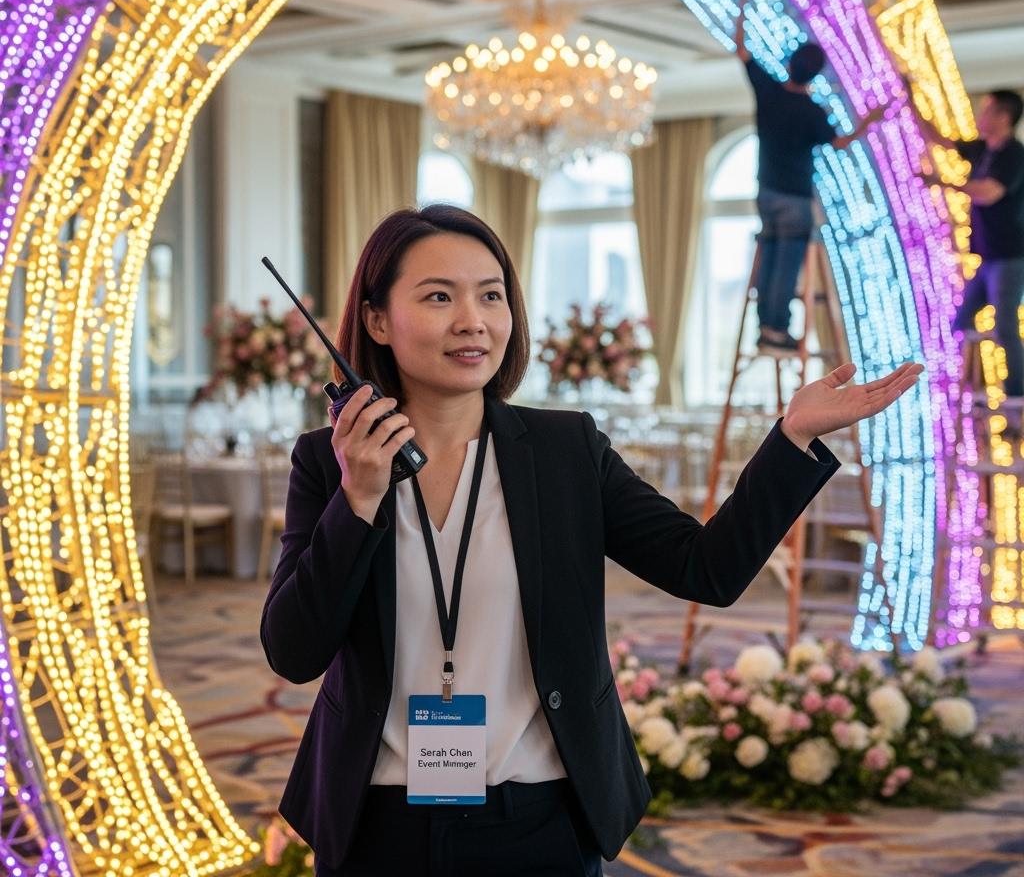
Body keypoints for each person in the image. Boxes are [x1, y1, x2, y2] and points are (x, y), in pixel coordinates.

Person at [260, 204, 922, 876]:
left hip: (541, 820)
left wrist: (793, 438)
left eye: (492, 295)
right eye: (439, 296)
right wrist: (359, 498)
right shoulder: (329, 461)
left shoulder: (563, 450)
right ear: (376, 319)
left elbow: (707, 570)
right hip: (379, 826)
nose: (473, 321)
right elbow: (294, 651)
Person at [734, 0, 885, 352]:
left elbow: (741, 50)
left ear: (789, 63)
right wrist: (871, 121)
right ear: (816, 75)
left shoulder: (769, 91)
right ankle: (775, 330)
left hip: (766, 191)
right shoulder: (812, 111)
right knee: (786, 264)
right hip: (795, 195)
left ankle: (765, 327)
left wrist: (743, 6)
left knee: (771, 257)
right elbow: (840, 143)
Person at [917, 90, 1024, 427]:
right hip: (989, 257)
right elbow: (942, 140)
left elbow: (990, 192)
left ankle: (1017, 396)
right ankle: (974, 389)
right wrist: (909, 96)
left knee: (1005, 325)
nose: (980, 115)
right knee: (962, 321)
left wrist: (944, 183)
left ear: (1003, 117)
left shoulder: (1013, 156)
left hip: (1010, 256)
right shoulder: (982, 150)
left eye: (987, 109)